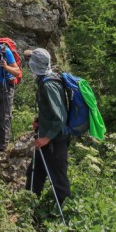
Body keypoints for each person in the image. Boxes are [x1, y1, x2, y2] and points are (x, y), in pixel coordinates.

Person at [24, 47, 70, 207]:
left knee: (58, 180)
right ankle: (28, 209)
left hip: (55, 142)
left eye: (30, 60)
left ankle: (64, 216)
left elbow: (60, 117)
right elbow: (52, 111)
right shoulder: (46, 80)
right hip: (48, 139)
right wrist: (41, 120)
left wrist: (46, 138)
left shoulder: (49, 84)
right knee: (35, 173)